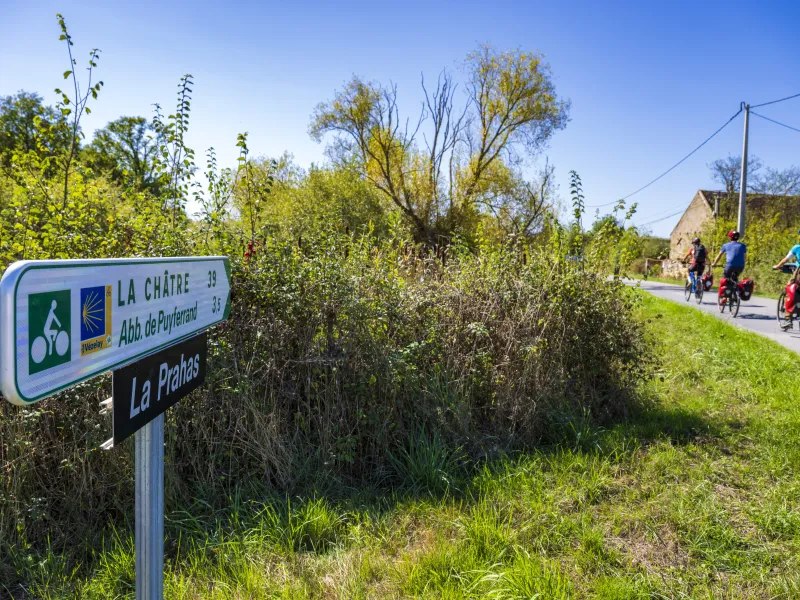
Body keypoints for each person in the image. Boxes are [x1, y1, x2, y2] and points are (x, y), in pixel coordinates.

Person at [772, 229, 800, 328]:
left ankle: (788, 319)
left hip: (799, 273)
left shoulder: (797, 247)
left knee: (790, 290)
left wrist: (777, 266)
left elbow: (786, 259)